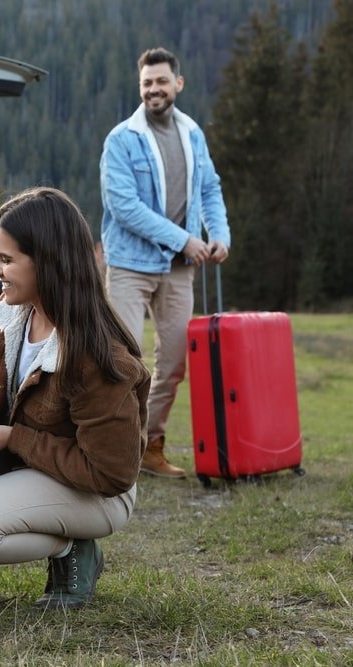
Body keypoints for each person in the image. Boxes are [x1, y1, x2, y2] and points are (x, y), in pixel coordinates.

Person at [0, 186, 150, 610]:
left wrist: (14, 439)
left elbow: (111, 473)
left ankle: (73, 549)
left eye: (6, 259)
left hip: (97, 492)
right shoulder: (10, 314)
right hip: (32, 469)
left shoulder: (97, 355)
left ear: (48, 262)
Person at [100, 46, 231, 478]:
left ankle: (150, 448)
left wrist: (219, 235)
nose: (153, 89)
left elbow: (209, 188)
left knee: (173, 362)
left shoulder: (193, 133)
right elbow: (124, 207)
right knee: (124, 360)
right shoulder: (122, 139)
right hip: (131, 265)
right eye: (146, 83)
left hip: (179, 270)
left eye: (160, 81)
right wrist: (184, 238)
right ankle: (113, 451)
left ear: (178, 83)